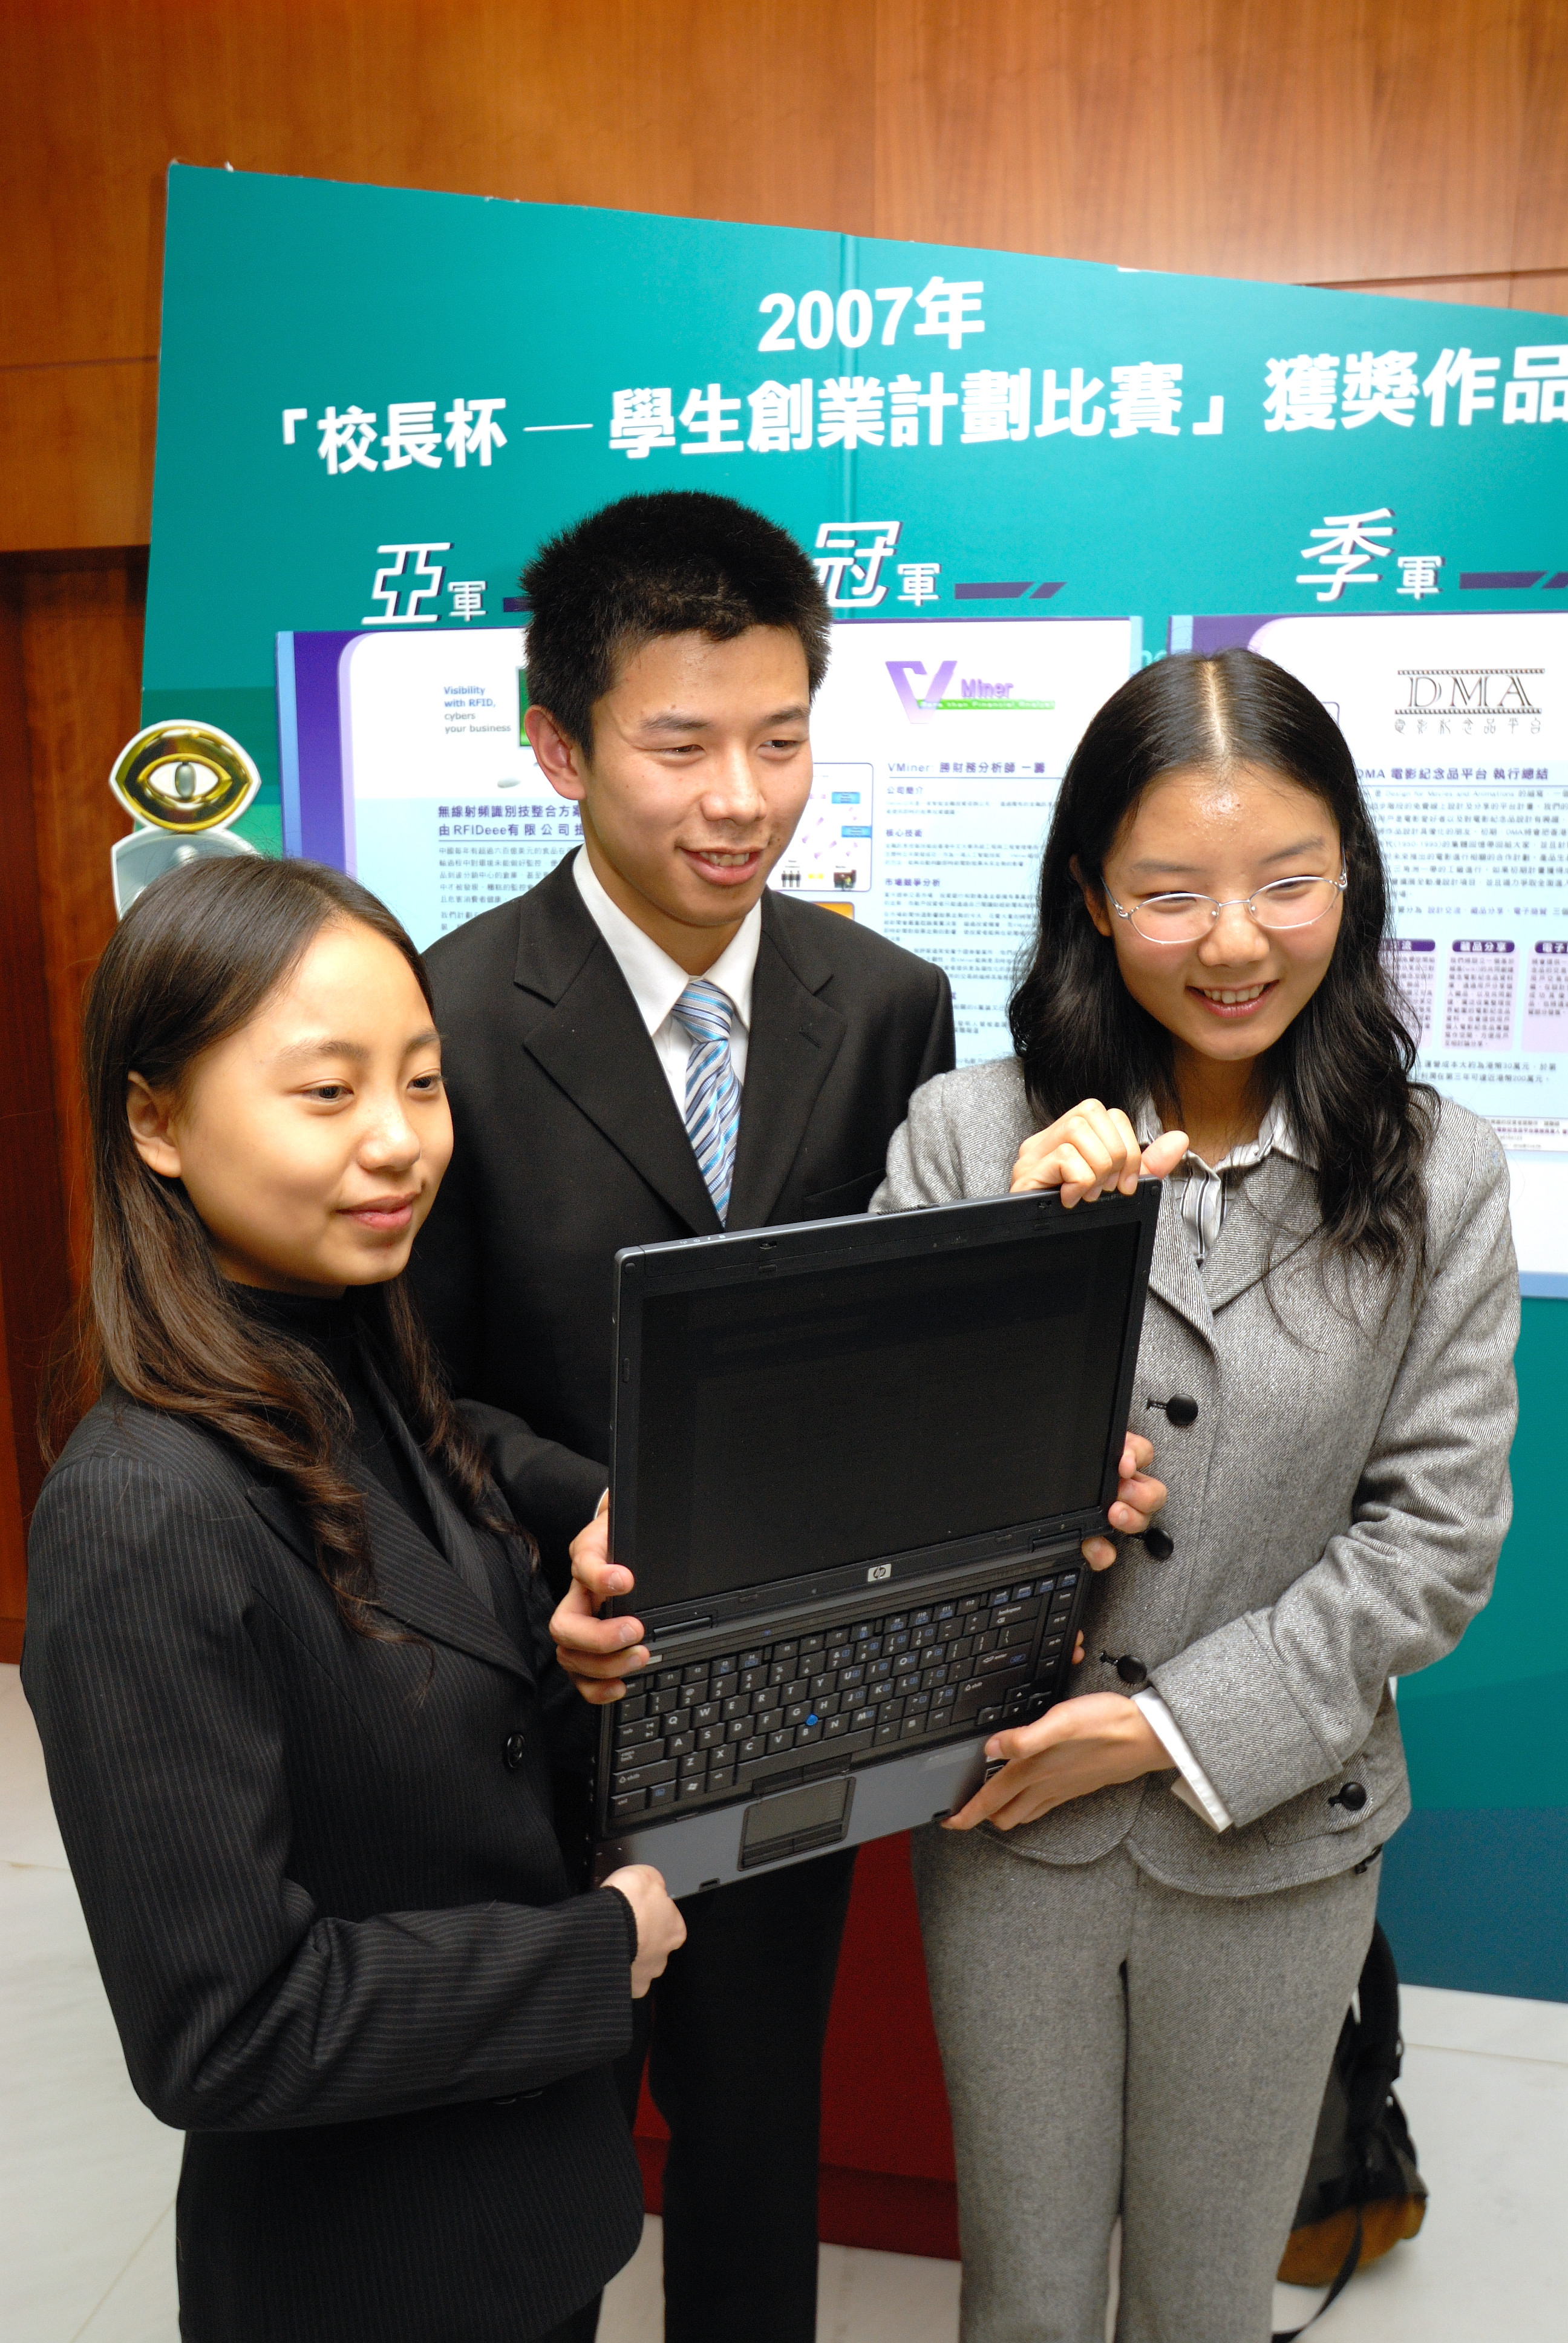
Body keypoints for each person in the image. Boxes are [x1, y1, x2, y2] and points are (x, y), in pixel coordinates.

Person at [408, 487, 1171, 2343]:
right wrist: (590, 1518)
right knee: (549, 2159)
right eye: (679, 746)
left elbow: (924, 1329)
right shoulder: (447, 1012)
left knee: (760, 2136)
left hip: (795, 1697)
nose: (740, 799)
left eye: (780, 739)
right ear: (557, 747)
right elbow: (420, 1401)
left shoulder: (890, 1003)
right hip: (538, 1696)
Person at [870, 647, 1519, 2343]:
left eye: (1287, 883)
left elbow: (1433, 1545)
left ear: (1351, 879)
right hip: (1013, 1826)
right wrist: (1022, 1259)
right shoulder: (966, 1133)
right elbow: (884, 1504)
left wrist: (1161, 1731)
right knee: (1019, 2284)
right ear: (1090, 894)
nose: (1237, 942)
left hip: (1282, 1833)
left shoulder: (1440, 1168)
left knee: (1209, 2293)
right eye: (1173, 894)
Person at [22, 856, 685, 2343]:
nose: (400, 1144)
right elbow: (225, 2028)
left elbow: (425, 1699)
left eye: (424, 1082)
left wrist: (552, 1651)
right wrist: (597, 1947)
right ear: (156, 1120)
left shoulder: (365, 1355)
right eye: (327, 1095)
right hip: (366, 2274)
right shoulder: (141, 1513)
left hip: (523, 2215)